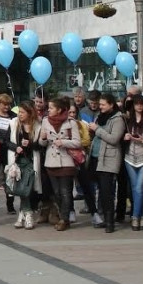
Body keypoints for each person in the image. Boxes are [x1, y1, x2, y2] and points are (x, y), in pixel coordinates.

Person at [38, 96, 81, 231]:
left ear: (59, 109)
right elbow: (42, 143)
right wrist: (43, 138)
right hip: (51, 161)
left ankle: (65, 218)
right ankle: (62, 214)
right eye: (48, 108)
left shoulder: (71, 122)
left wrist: (63, 142)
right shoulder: (45, 121)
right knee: (56, 192)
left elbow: (77, 142)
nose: (48, 110)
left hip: (66, 160)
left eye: (51, 108)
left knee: (65, 192)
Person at [88, 93, 126, 233]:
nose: (101, 107)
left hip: (109, 158)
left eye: (104, 104)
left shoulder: (118, 119)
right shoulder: (100, 116)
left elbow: (114, 138)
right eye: (100, 104)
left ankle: (110, 221)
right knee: (97, 190)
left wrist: (97, 129)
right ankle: (102, 217)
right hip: (96, 156)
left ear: (111, 104)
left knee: (107, 191)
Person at [8, 100, 41, 229]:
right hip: (18, 161)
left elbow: (40, 146)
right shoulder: (14, 124)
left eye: (22, 112)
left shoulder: (37, 125)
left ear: (29, 113)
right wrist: (16, 147)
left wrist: (31, 144)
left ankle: (25, 214)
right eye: (19, 112)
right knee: (22, 189)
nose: (19, 114)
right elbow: (5, 141)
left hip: (31, 162)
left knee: (26, 189)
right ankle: (26, 214)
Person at [123, 94, 143, 230]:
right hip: (129, 157)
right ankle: (140, 215)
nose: (139, 106)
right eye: (136, 104)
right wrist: (125, 136)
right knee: (134, 187)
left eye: (141, 104)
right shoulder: (127, 121)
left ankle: (136, 216)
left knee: (139, 188)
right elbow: (120, 137)